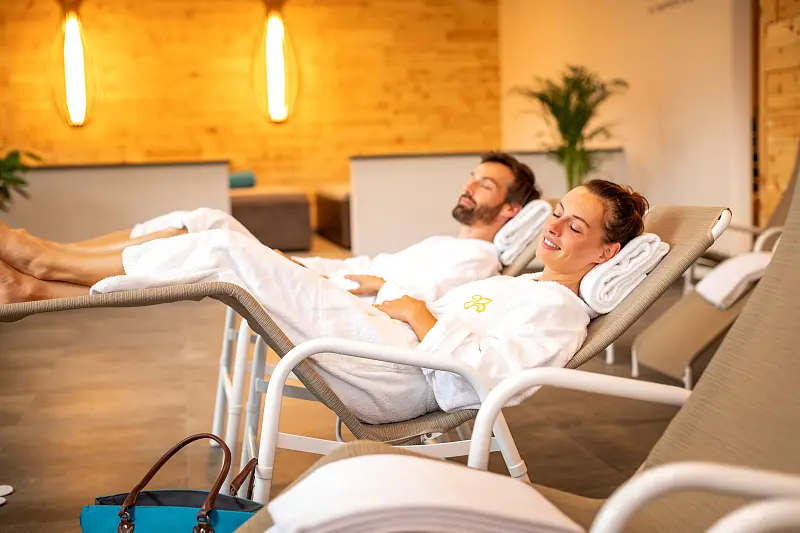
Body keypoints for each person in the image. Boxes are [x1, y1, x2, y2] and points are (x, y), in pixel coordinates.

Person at [0, 180, 648, 426]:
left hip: (399, 378)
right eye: (556, 214)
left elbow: (475, 389)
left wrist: (419, 314)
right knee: (224, 248)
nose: (554, 229)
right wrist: (406, 308)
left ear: (606, 254)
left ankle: (46, 264)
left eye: (575, 226)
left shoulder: (559, 312)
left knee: (226, 251)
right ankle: (42, 282)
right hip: (383, 344)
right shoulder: (523, 288)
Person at [21, 151, 541, 304]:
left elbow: (405, 297)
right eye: (472, 177)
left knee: (217, 241)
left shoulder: (477, 260)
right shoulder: (448, 244)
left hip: (327, 289)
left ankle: (47, 264)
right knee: (207, 222)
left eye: (485, 185)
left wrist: (312, 272)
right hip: (323, 273)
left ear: (511, 211)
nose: (469, 187)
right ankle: (49, 266)